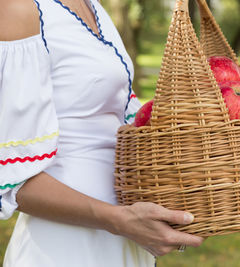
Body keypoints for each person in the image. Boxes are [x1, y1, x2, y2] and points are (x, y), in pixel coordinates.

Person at [0, 0, 204, 266]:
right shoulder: (18, 8)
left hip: (127, 236)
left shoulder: (93, 6)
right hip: (64, 247)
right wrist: (116, 220)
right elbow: (10, 177)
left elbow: (122, 126)